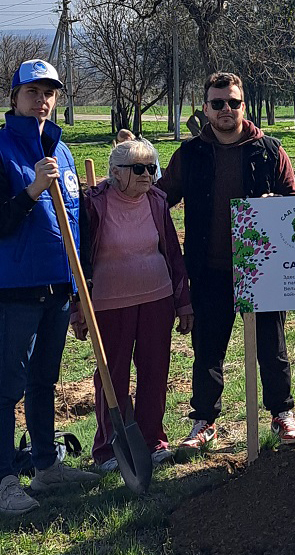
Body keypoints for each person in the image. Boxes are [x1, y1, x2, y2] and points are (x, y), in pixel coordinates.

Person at [158, 71, 295, 449]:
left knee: (272, 348)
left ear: (244, 106)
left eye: (234, 102)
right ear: (206, 108)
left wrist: (279, 205)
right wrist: (120, 190)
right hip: (209, 269)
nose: (227, 109)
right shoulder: (189, 154)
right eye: (218, 103)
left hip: (262, 270)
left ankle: (283, 415)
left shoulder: (270, 151)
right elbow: (160, 199)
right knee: (207, 350)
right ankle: (204, 421)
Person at [0, 59, 99, 515]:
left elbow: (75, 223)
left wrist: (80, 285)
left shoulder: (63, 151)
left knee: (44, 379)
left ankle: (45, 465)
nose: (42, 100)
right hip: (16, 288)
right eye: (33, 92)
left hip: (58, 287)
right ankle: (5, 478)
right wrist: (33, 190)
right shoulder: (3, 149)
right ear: (14, 97)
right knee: (7, 387)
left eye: (49, 93)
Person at [71, 139, 193, 470]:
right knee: (112, 376)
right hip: (109, 303)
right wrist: (77, 306)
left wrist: (183, 302)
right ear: (115, 172)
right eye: (138, 169)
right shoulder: (94, 204)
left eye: (151, 168)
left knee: (155, 370)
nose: (147, 175)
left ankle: (153, 441)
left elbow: (172, 252)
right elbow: (79, 258)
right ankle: (109, 448)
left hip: (157, 298)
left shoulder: (157, 201)